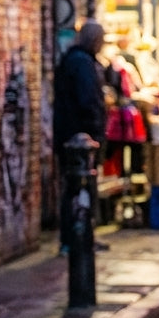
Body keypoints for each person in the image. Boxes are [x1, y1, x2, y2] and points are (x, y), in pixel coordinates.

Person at [53, 20, 109, 250]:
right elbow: (88, 102)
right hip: (80, 136)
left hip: (70, 133)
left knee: (76, 186)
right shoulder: (82, 63)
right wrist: (95, 132)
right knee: (80, 187)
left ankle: (78, 238)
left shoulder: (73, 59)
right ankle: (77, 239)